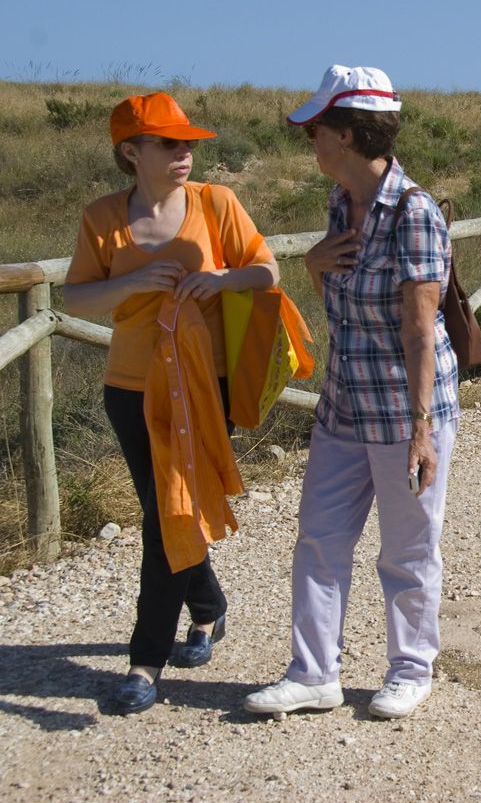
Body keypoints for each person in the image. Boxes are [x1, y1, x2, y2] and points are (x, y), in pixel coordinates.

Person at [245, 65, 461, 721]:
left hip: (404, 410)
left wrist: (422, 431)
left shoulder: (413, 213)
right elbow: (342, 306)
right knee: (319, 537)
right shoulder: (342, 201)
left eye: (317, 130)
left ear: (347, 133)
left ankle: (410, 669)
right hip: (345, 403)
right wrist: (312, 265)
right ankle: (314, 674)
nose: (310, 141)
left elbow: (420, 331)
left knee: (407, 546)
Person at [63, 93, 280, 714]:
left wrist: (222, 279)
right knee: (166, 509)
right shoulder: (102, 216)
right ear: (131, 152)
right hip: (129, 389)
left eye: (187, 142)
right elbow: (76, 297)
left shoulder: (217, 204)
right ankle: (208, 608)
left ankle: (144, 660)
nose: (184, 152)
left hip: (205, 387)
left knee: (167, 516)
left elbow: (266, 271)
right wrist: (129, 283)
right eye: (168, 143)